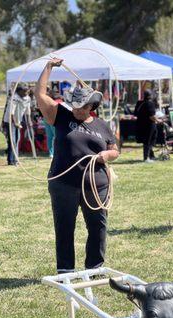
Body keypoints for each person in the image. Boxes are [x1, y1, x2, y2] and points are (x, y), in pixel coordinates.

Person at [35, 58, 119, 274]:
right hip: (64, 183)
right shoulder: (61, 116)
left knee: (98, 227)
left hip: (95, 184)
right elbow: (40, 95)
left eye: (81, 107)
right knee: (64, 227)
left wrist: (107, 155)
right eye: (74, 105)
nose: (76, 109)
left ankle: (94, 268)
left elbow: (115, 150)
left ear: (92, 107)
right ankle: (65, 271)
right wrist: (49, 67)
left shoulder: (102, 125)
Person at [6, 84, 32, 165]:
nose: (27, 93)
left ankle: (15, 159)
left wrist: (29, 121)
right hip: (10, 121)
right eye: (25, 91)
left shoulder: (27, 98)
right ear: (20, 91)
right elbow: (11, 112)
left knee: (17, 140)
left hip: (19, 120)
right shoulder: (14, 98)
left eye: (27, 91)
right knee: (13, 141)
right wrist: (15, 123)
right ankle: (11, 160)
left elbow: (27, 110)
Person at [134, 90, 158, 162]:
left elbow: (135, 113)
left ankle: (151, 155)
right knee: (149, 141)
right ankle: (146, 157)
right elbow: (152, 116)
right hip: (149, 125)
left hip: (141, 125)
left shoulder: (139, 103)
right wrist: (158, 120)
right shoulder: (150, 103)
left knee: (148, 141)